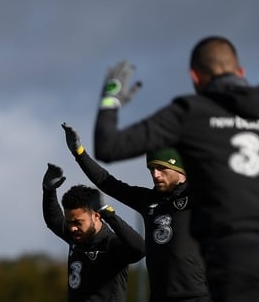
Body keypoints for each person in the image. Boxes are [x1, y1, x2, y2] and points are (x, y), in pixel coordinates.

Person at [93, 36, 259, 302]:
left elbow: (108, 147)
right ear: (241, 73)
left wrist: (111, 99)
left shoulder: (190, 113)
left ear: (195, 77)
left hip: (239, 260)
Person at [62, 123, 209, 302]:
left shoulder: (199, 195)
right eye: (151, 169)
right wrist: (79, 153)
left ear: (179, 169)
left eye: (161, 169)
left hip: (198, 296)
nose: (155, 175)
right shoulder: (147, 200)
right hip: (159, 297)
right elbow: (107, 181)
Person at [42, 164, 145, 302]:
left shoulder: (112, 244)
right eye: (69, 222)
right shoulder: (77, 237)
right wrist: (49, 191)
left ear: (96, 216)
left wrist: (109, 215)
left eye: (78, 222)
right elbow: (53, 219)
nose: (72, 228)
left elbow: (140, 249)